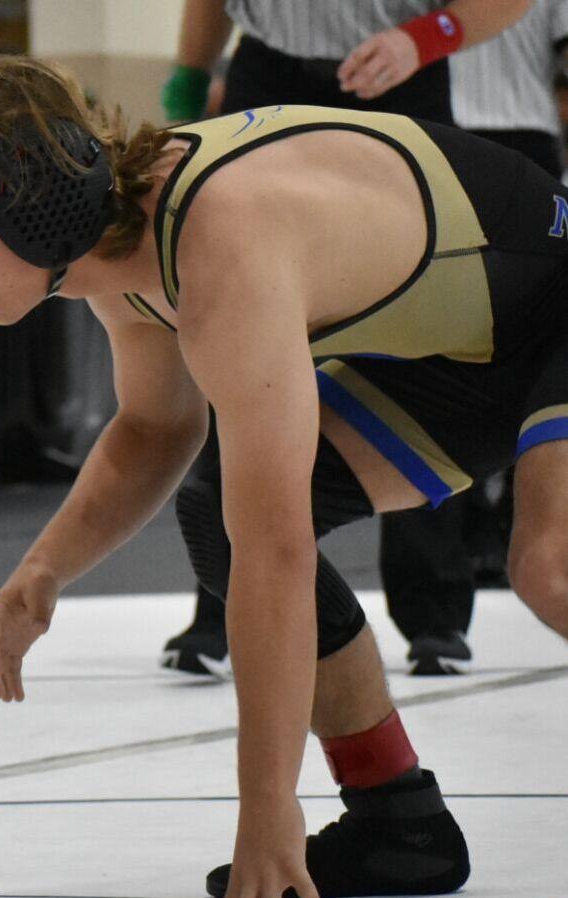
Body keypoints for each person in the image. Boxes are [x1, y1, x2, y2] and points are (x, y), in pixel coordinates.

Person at [0, 49, 568, 898]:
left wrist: (266, 805)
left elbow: (278, 551)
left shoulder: (218, 243)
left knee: (550, 567)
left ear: (27, 202)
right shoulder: (115, 244)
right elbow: (153, 427)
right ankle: (398, 820)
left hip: (548, 302)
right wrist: (43, 570)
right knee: (218, 513)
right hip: (470, 347)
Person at [158, 0, 535, 678]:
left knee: (417, 326)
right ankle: (224, 603)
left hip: (399, 71)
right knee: (236, 330)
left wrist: (428, 38)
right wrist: (187, 84)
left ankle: (434, 612)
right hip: (265, 78)